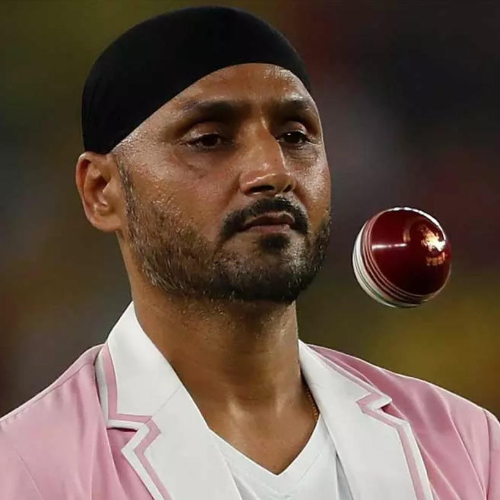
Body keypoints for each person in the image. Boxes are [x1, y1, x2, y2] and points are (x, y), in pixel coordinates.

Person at [0, 6, 498, 500]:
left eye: (295, 136)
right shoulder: (26, 467)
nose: (273, 171)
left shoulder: (467, 444)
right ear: (101, 190)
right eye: (210, 139)